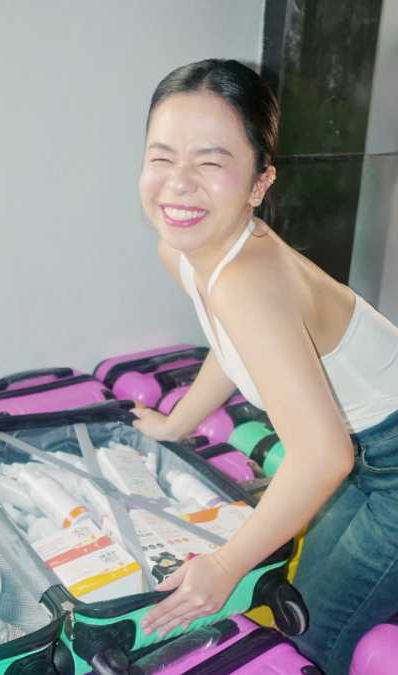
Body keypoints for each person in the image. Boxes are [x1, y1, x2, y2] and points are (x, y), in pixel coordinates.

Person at [129, 58, 398, 675]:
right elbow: (233, 350)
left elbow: (322, 456)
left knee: (312, 636)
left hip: (382, 456)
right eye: (162, 157)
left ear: (259, 182)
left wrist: (225, 566)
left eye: (211, 163)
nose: (178, 184)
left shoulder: (247, 282)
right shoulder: (183, 250)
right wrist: (175, 424)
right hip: (365, 451)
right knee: (298, 597)